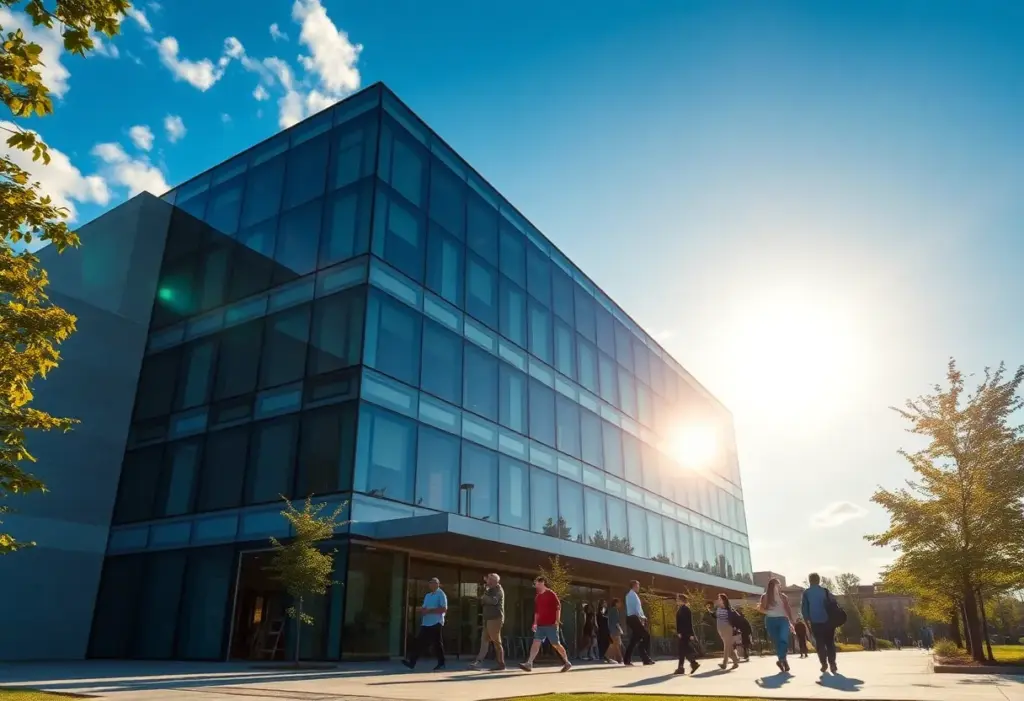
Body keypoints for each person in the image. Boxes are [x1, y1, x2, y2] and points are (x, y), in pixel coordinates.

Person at [519, 576, 572, 673]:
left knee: (556, 644)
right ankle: (529, 663)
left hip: (551, 625)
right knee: (536, 643)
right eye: (536, 584)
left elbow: (558, 608)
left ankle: (567, 662)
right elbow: (537, 612)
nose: (536, 586)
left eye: (538, 584)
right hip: (540, 625)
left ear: (543, 583)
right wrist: (534, 623)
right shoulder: (538, 597)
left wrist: (557, 621)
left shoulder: (551, 594)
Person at [403, 577, 448, 671]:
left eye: (433, 583)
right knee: (419, 642)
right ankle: (412, 662)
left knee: (437, 643)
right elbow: (424, 608)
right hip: (426, 623)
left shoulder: (441, 594)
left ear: (437, 584)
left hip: (436, 622)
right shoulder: (428, 595)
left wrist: (430, 611)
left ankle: (441, 663)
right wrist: (421, 610)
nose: (431, 585)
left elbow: (444, 609)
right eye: (430, 583)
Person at [801, 572, 838, 674]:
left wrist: (807, 623)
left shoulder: (806, 593)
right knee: (830, 643)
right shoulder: (825, 591)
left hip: (815, 622)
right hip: (828, 621)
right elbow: (834, 603)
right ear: (819, 580)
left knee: (820, 644)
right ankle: (832, 663)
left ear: (810, 580)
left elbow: (804, 610)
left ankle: (823, 663)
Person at [469, 573, 505, 671]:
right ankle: (478, 662)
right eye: (488, 580)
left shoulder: (498, 590)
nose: (487, 581)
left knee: (496, 641)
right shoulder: (489, 590)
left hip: (495, 618)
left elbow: (494, 601)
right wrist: (484, 597)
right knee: (484, 641)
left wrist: (485, 597)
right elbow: (482, 601)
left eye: (490, 580)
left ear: (495, 581)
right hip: (487, 619)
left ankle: (501, 664)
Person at [758, 577, 794, 673]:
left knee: (784, 640)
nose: (779, 586)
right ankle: (783, 661)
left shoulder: (783, 597)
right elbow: (761, 609)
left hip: (783, 620)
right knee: (778, 642)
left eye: (779, 585)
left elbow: (788, 609)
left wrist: (791, 622)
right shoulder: (765, 596)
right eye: (778, 584)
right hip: (770, 620)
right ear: (772, 586)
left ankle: (781, 660)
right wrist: (769, 611)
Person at [623, 580, 654, 666]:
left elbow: (636, 608)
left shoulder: (631, 595)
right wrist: (642, 617)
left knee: (634, 640)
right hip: (634, 618)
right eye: (637, 586)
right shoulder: (632, 595)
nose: (638, 587)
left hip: (632, 618)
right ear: (633, 586)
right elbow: (636, 608)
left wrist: (641, 617)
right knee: (646, 636)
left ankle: (627, 659)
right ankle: (644, 656)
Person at [674, 594, 701, 675]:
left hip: (685, 633)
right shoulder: (680, 609)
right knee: (682, 651)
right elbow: (678, 623)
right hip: (682, 633)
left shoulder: (686, 609)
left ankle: (688, 666)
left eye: (678, 599)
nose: (677, 601)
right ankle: (687, 666)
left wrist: (691, 634)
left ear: (682, 600)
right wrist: (678, 632)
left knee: (683, 650)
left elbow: (689, 623)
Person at [714, 593, 740, 670]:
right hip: (720, 629)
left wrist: (734, 625)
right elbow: (717, 617)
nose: (718, 600)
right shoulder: (718, 608)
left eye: (719, 599)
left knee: (726, 646)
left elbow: (737, 616)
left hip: (727, 628)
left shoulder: (728, 609)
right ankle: (735, 661)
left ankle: (724, 663)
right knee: (729, 647)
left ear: (723, 600)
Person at [606, 598, 624, 663]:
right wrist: (620, 629)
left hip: (611, 630)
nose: (620, 604)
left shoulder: (611, 610)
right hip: (615, 630)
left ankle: (611, 657)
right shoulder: (615, 610)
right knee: (616, 644)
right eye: (619, 603)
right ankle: (618, 659)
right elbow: (616, 622)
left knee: (615, 644)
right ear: (616, 603)